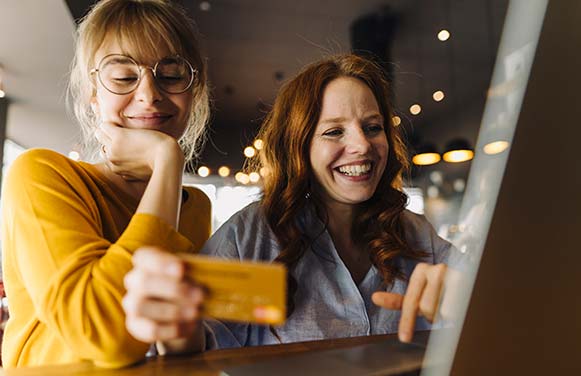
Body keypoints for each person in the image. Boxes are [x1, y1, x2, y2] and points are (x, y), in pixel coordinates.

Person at [123, 54, 450, 353]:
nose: (362, 144)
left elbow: (491, 299)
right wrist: (177, 325)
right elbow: (200, 343)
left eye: (373, 127)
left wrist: (469, 293)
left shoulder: (416, 234)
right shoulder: (251, 235)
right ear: (299, 147)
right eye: (334, 131)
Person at [0, 0, 211, 368]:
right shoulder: (41, 175)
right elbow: (105, 334)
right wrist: (165, 161)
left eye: (172, 74)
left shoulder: (195, 205)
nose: (149, 94)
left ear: (194, 91)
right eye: (124, 77)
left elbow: (176, 335)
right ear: (93, 96)